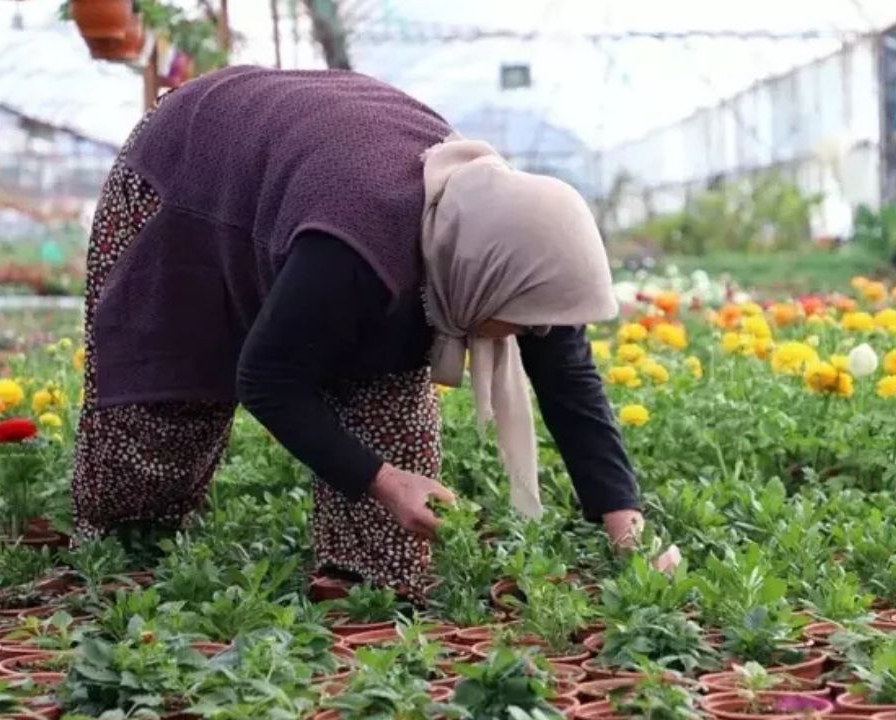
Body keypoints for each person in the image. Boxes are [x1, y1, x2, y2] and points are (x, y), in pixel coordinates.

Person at [72, 65, 669, 600]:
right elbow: (268, 379)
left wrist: (628, 531)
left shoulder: (511, 245)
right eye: (524, 321)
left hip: (320, 177)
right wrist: (381, 482)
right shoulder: (358, 250)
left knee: (392, 434)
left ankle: (363, 592)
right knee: (162, 410)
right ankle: (123, 572)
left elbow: (571, 384)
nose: (527, 333)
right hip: (190, 172)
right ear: (486, 278)